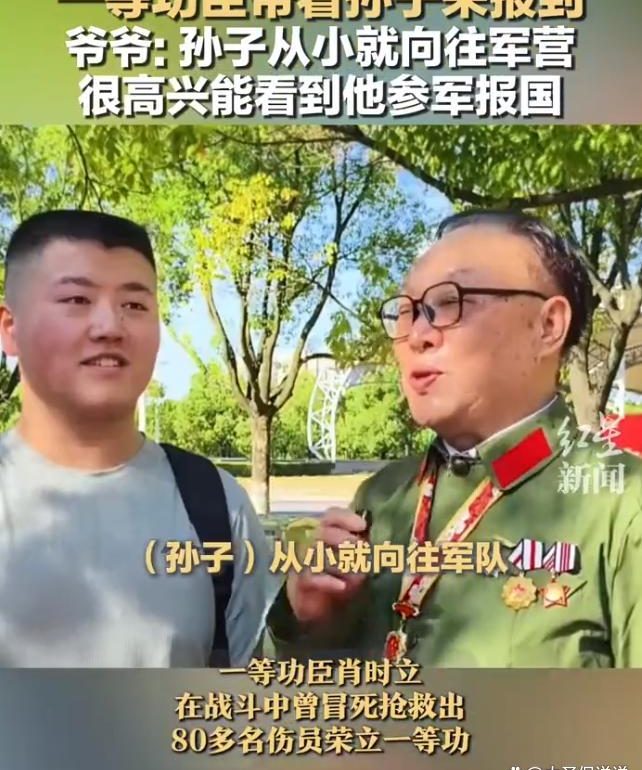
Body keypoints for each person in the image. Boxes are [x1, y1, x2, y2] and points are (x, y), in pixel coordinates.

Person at [265, 209, 642, 667]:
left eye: (450, 302)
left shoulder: (622, 505)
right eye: (406, 311)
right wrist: (306, 623)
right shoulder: (380, 499)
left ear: (548, 326)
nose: (417, 335)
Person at [0, 209, 278, 667]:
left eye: (134, 305)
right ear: (10, 328)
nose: (110, 327)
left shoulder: (216, 506)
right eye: (77, 299)